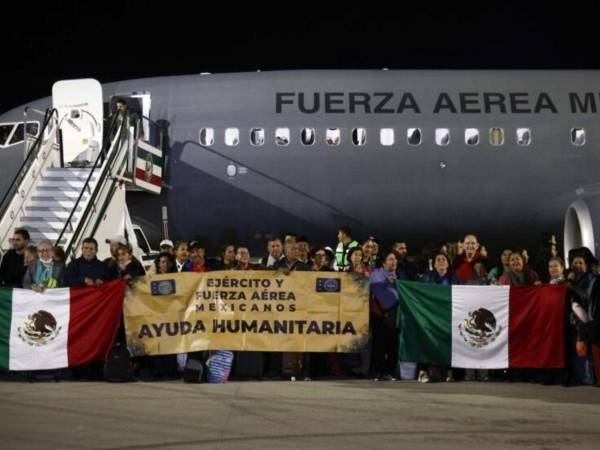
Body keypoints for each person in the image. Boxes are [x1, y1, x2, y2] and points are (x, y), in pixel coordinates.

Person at [419, 253, 459, 383]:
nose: (441, 262)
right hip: (431, 318)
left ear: (448, 264)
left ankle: (449, 372)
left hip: (448, 317)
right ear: (434, 264)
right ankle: (423, 372)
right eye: (438, 260)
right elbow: (418, 292)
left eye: (443, 260)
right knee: (426, 342)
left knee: (449, 344)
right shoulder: (426, 278)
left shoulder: (455, 279)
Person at [369, 252, 400, 381]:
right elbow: (375, 286)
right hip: (380, 314)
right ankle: (378, 371)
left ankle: (391, 372)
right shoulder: (377, 273)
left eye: (395, 259)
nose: (394, 262)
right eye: (390, 259)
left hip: (396, 313)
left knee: (393, 344)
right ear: (384, 262)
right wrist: (388, 282)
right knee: (380, 343)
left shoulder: (398, 275)